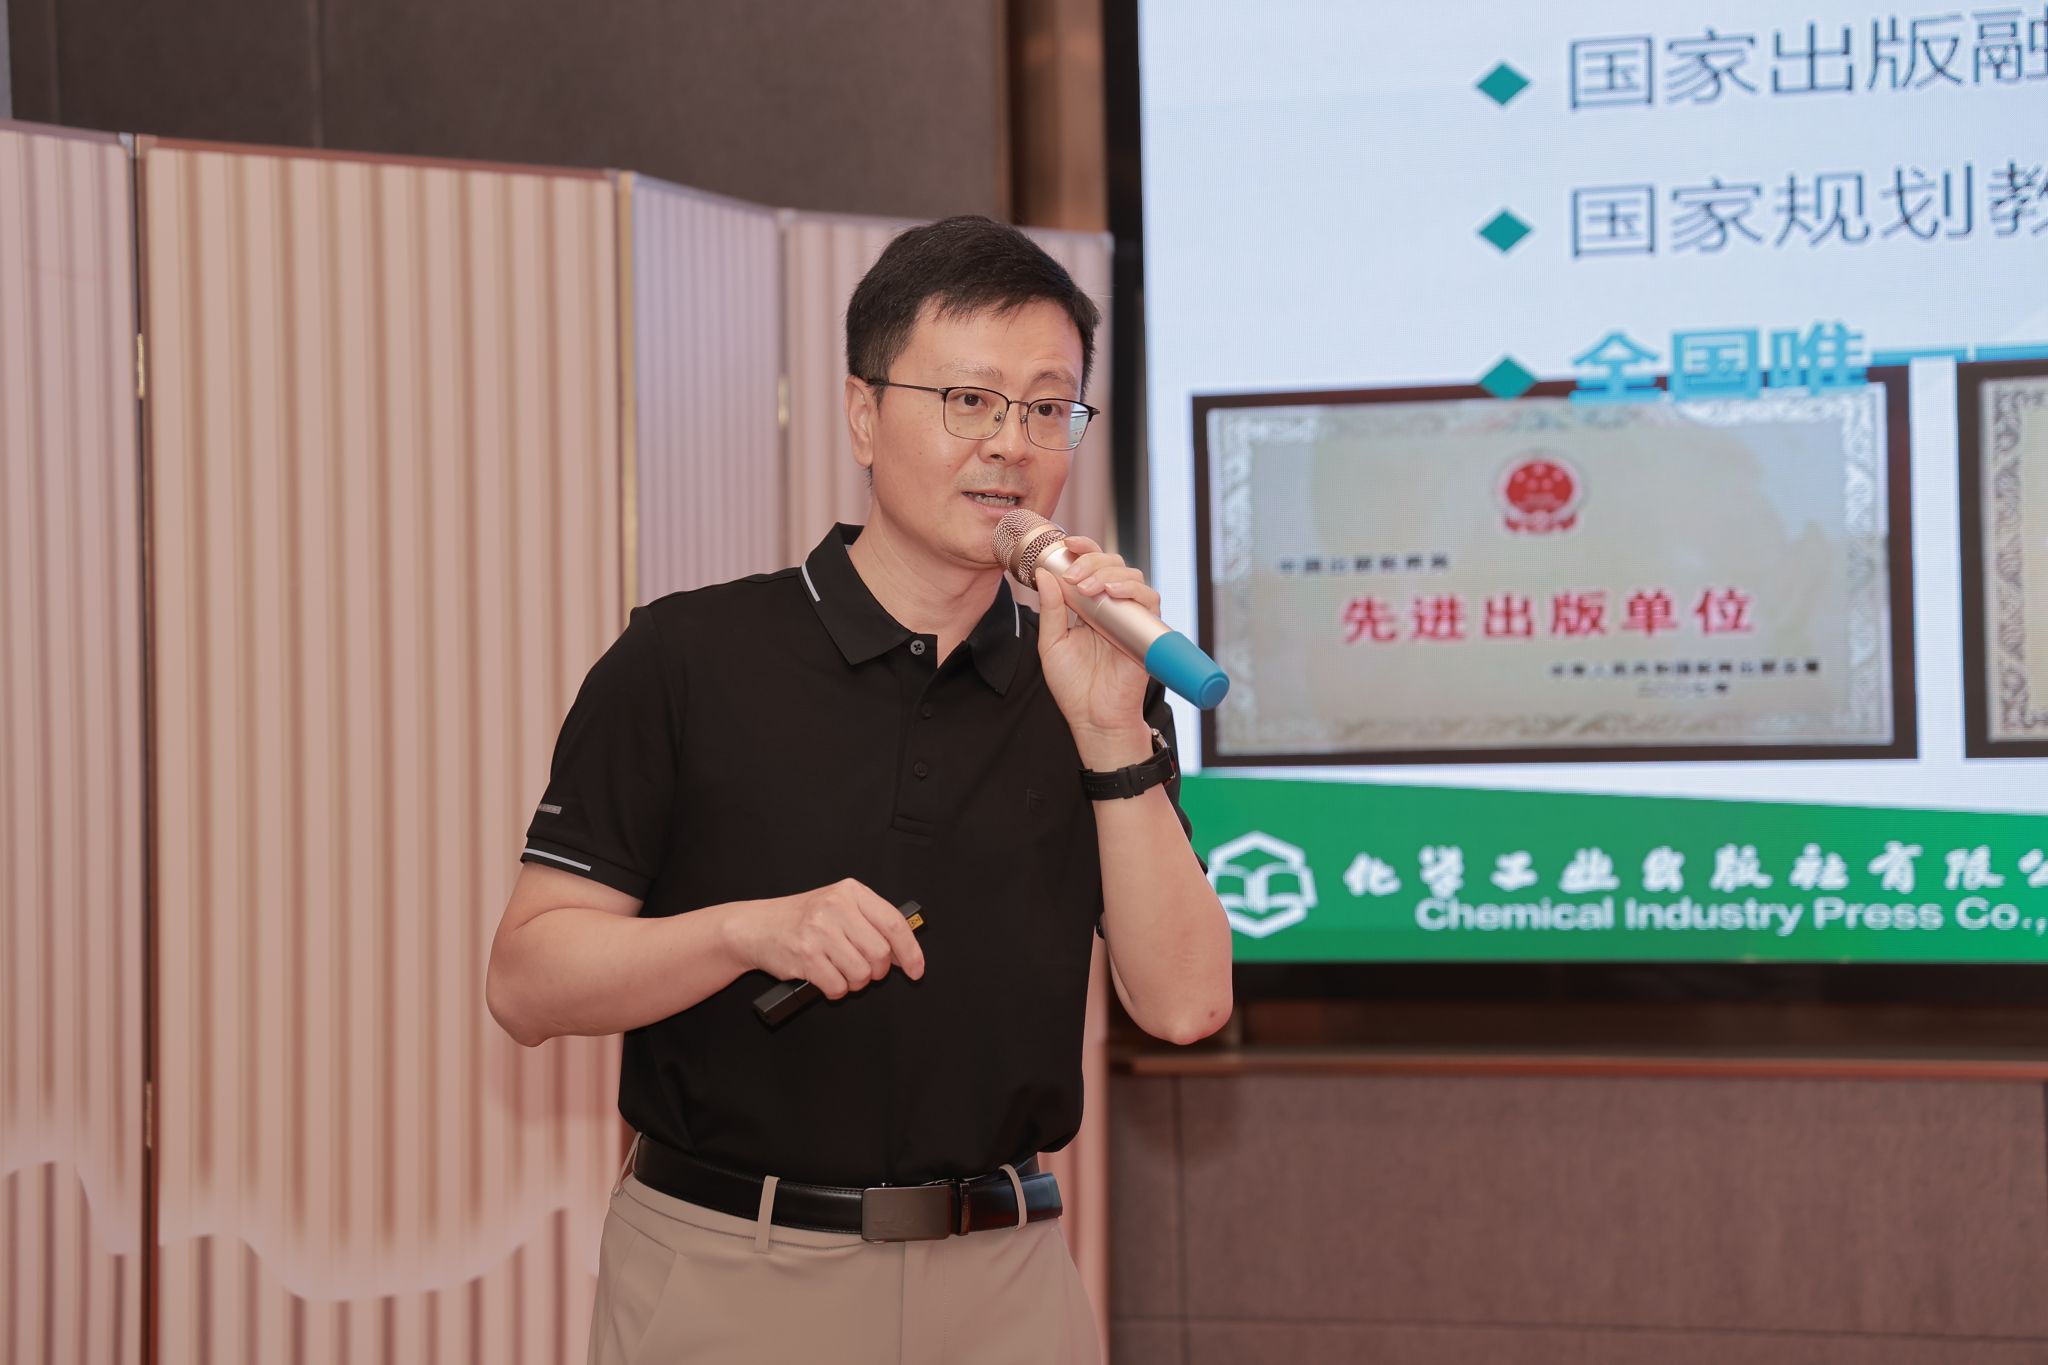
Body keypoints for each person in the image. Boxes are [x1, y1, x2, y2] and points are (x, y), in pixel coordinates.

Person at [485, 214, 1231, 1364]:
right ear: (862, 416)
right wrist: (745, 932)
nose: (1011, 445)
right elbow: (527, 982)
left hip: (1007, 1283)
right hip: (732, 1272)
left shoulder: (1092, 683)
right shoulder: (686, 658)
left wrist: (1107, 729)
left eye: (1047, 408)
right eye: (969, 400)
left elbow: (1183, 1006)